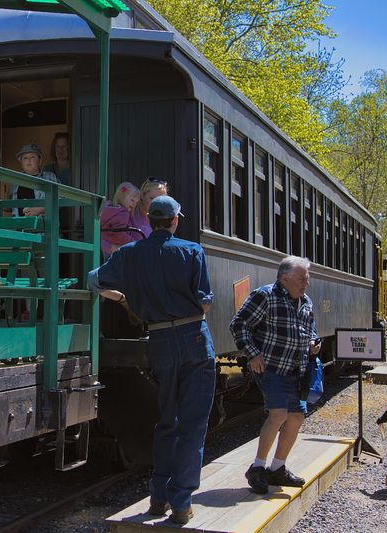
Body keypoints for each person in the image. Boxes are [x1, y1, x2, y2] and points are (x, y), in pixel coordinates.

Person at [88, 196, 214, 525]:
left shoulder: (129, 254)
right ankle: (181, 502)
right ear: (174, 221)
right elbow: (204, 304)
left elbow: (94, 281)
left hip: (157, 339)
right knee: (193, 425)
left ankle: (158, 497)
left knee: (167, 420)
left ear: (150, 218)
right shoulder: (191, 251)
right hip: (194, 338)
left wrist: (126, 299)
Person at [229, 256, 322, 495]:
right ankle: (257, 467)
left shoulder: (306, 301)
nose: (306, 283)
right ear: (284, 278)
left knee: (296, 418)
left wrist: (313, 342)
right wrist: (252, 354)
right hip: (270, 367)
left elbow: (310, 329)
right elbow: (239, 324)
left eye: (308, 278)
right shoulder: (266, 296)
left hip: (297, 369)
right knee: (279, 413)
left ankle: (277, 468)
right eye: (302, 278)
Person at [8, 143, 58, 217]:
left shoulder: (49, 177)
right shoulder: (16, 180)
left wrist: (40, 209)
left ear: (40, 161)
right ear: (21, 163)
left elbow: (59, 200)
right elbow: (10, 205)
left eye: (32, 157)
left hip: (43, 226)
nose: (28, 160)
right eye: (25, 158)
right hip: (19, 225)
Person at [100, 182, 142, 258]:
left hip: (106, 245)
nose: (134, 205)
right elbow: (119, 233)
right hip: (116, 247)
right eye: (132, 200)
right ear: (122, 196)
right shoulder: (123, 213)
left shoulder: (109, 209)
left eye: (136, 202)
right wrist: (133, 242)